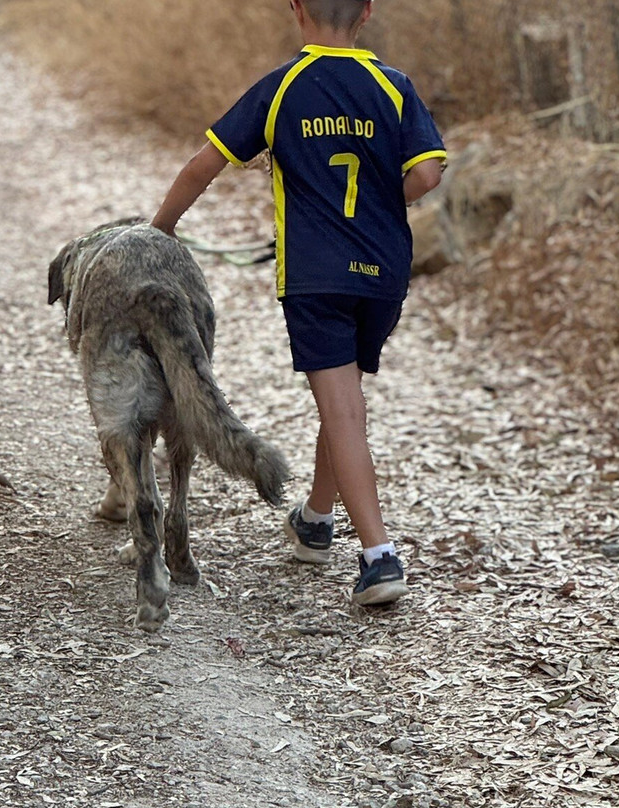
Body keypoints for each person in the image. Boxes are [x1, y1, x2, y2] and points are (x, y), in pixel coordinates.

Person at [150, 0, 446, 605]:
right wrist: (377, 198)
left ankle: (380, 557)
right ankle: (314, 521)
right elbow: (428, 174)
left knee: (342, 411)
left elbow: (203, 165)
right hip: (384, 274)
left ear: (297, 10)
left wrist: (162, 229)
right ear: (366, 12)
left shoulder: (283, 88)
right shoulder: (393, 87)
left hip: (316, 276)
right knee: (345, 399)